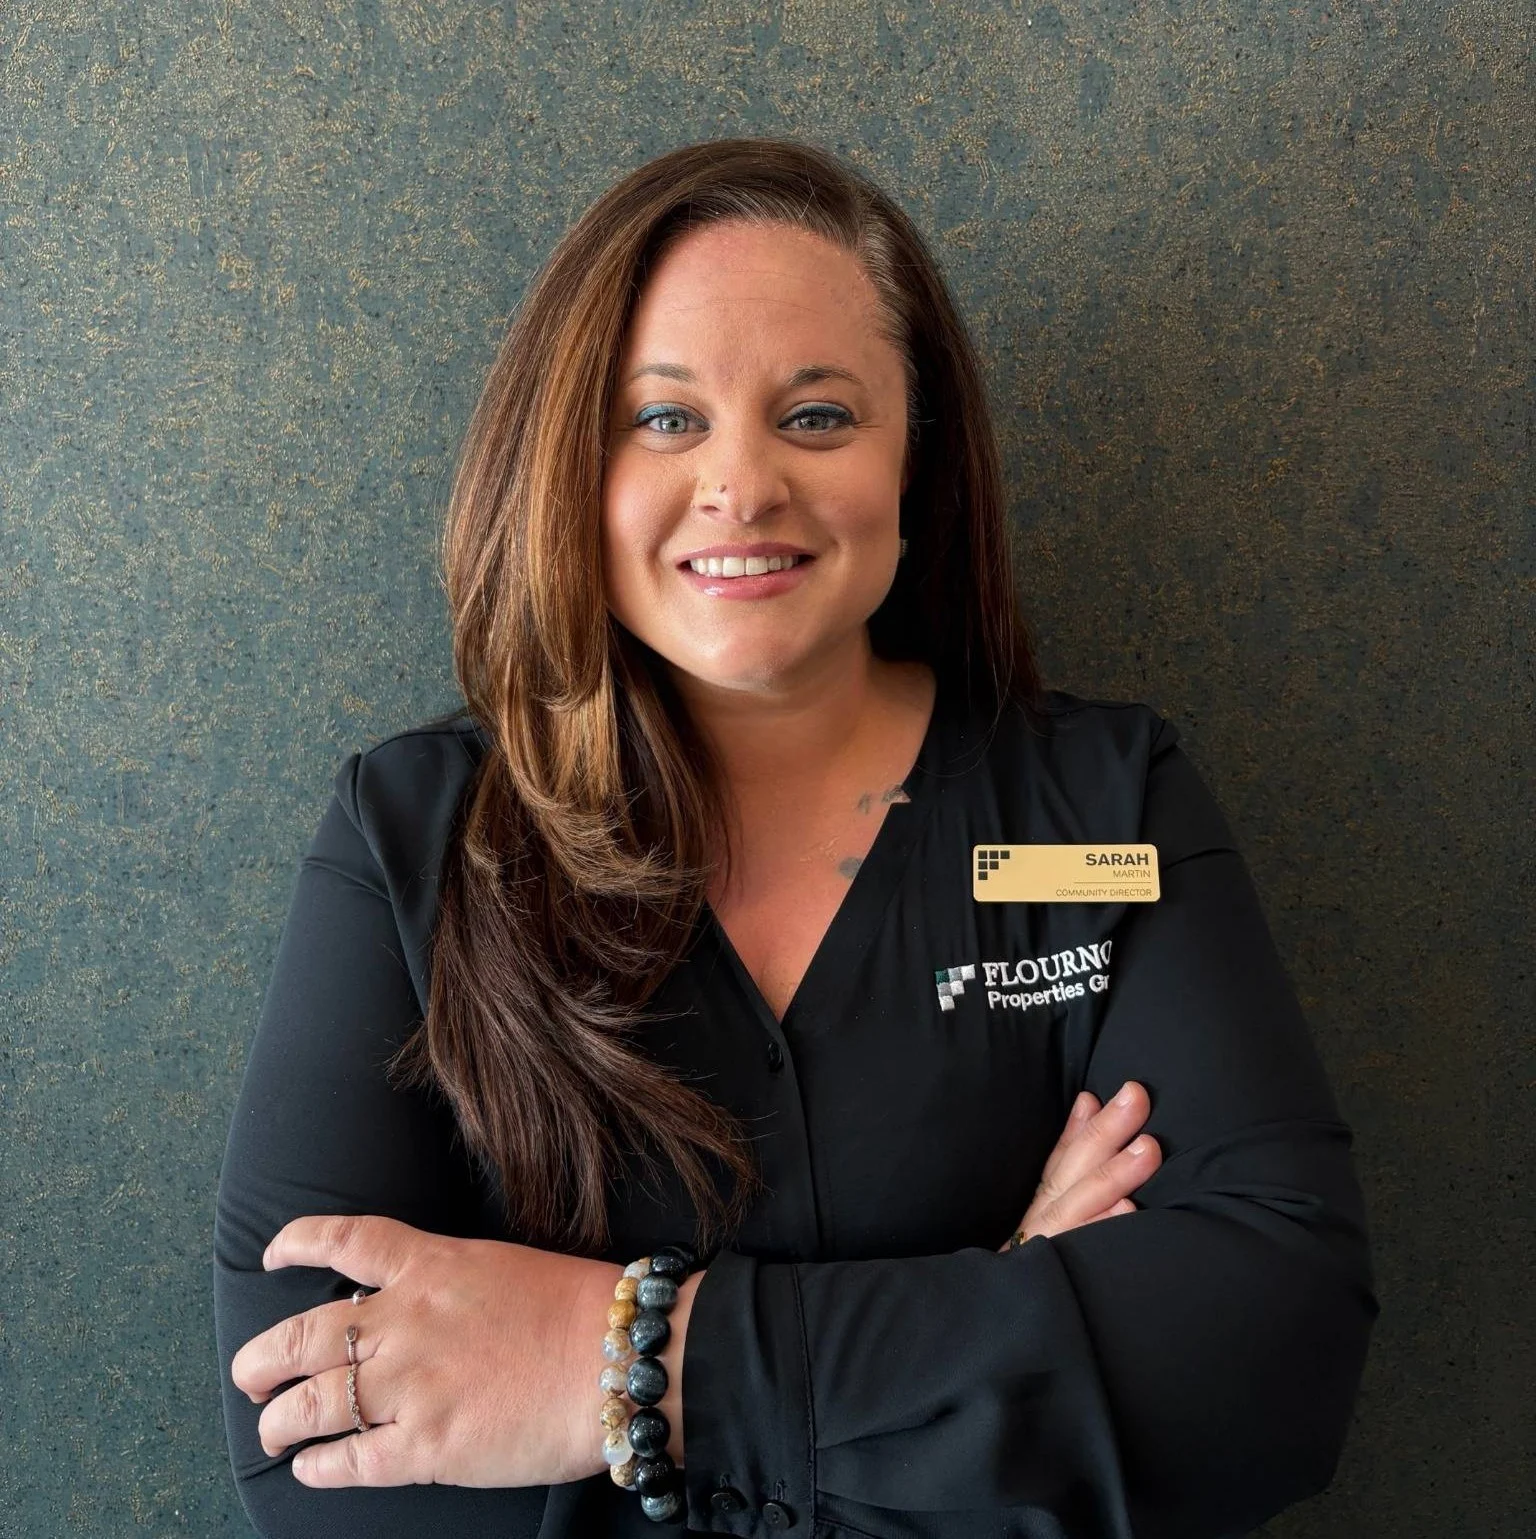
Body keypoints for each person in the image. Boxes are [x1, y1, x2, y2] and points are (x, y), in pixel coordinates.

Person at [212, 136, 1378, 1538]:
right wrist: (1005, 1314)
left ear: (916, 455)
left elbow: (1270, 1357)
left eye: (818, 416)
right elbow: (321, 1469)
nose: (743, 482)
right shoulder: (410, 843)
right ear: (569, 459)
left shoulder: (1101, 814)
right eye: (663, 418)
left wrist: (623, 1364)